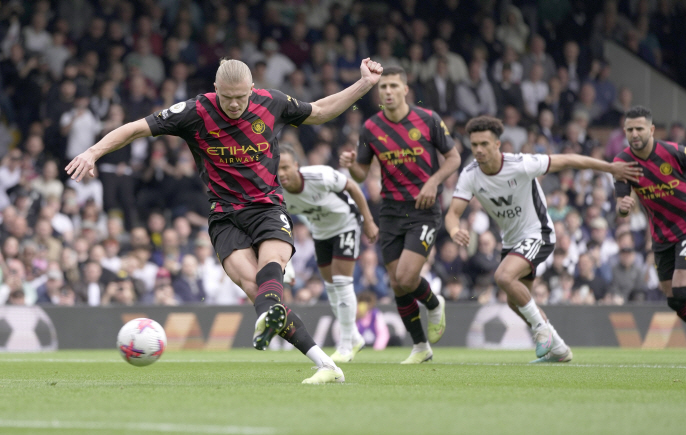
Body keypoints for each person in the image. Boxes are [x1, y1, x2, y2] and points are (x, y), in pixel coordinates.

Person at [66, 57, 384, 384]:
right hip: (224, 216)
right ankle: (325, 363)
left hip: (267, 207)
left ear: (252, 89)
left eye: (240, 97)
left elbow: (320, 111)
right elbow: (135, 129)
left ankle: (285, 329)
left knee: (271, 266)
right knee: (254, 287)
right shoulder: (194, 111)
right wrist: (93, 152)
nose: (233, 104)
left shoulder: (272, 101)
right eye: (226, 96)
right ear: (215, 89)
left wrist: (364, 84)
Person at [444, 116, 641, 362]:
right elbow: (452, 214)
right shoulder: (470, 174)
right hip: (512, 241)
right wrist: (454, 231)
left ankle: (541, 331)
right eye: (474, 145)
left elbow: (570, 159)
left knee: (503, 277)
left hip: (539, 233)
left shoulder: (521, 164)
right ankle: (559, 349)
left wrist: (610, 168)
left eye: (484, 144)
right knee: (516, 303)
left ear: (497, 144)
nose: (479, 150)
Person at [340, 65, 460, 364]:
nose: (388, 91)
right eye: (383, 87)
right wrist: (350, 163)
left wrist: (433, 181)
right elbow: (361, 172)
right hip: (391, 211)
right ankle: (420, 347)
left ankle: (434, 303)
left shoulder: (428, 120)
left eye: (393, 86)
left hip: (423, 208)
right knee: (396, 282)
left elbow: (454, 157)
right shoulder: (371, 128)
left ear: (405, 89)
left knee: (407, 277)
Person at [278, 145, 379, 362]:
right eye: (277, 169)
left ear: (296, 165)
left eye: (285, 167)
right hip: (321, 232)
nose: (281, 173)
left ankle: (345, 345)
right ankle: (354, 336)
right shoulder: (278, 194)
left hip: (347, 223)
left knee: (342, 282)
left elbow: (352, 187)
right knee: (332, 287)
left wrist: (368, 221)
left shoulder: (319, 175)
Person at [615, 106, 686, 331]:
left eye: (639, 129)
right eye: (630, 129)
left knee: (683, 290)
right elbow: (620, 205)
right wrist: (623, 208)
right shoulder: (621, 162)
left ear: (651, 130)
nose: (634, 134)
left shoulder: (674, 151)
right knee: (674, 299)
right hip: (661, 236)